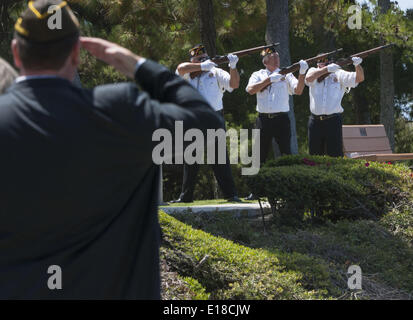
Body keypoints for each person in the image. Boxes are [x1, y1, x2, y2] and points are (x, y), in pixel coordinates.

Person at [0, 0, 222, 299]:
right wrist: (140, 67)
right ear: (77, 53)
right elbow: (206, 126)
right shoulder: (121, 110)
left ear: (15, 51)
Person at [171, 44, 242, 203]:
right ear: (193, 61)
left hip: (213, 118)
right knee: (191, 159)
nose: (203, 60)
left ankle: (231, 195)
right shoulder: (187, 75)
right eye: (199, 59)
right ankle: (185, 196)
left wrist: (233, 66)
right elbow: (180, 68)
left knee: (219, 158)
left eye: (204, 57)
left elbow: (234, 84)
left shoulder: (216, 72)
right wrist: (201, 66)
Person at [244, 48, 308, 200]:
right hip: (263, 119)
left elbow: (298, 91)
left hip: (281, 119)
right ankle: (256, 190)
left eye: (277, 57)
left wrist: (302, 73)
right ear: (265, 61)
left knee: (286, 154)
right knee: (259, 156)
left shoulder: (286, 75)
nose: (277, 60)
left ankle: (290, 188)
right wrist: (269, 80)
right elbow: (250, 90)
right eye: (273, 58)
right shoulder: (257, 75)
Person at [305, 56, 365, 157]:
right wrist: (326, 70)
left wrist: (357, 65)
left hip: (332, 121)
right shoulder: (313, 71)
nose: (323, 63)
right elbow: (308, 78)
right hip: (315, 121)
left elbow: (359, 78)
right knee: (314, 155)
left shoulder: (338, 73)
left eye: (326, 61)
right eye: (320, 61)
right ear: (317, 64)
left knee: (335, 155)